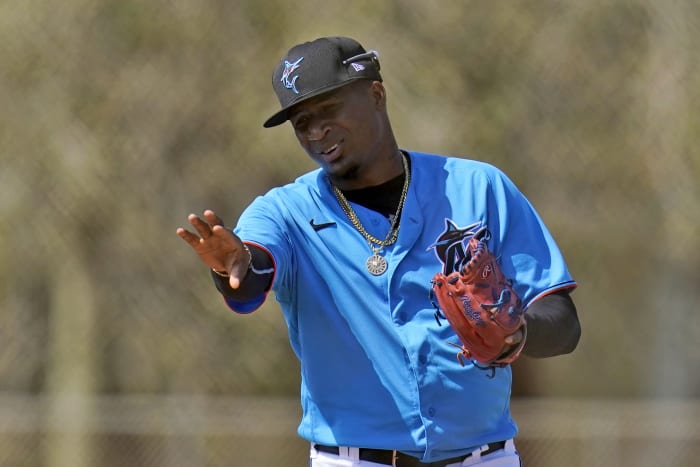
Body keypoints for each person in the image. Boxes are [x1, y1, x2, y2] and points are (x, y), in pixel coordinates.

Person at [176, 36, 580, 467]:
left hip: (484, 458)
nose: (315, 131)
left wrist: (516, 333)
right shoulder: (285, 212)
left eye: (328, 110)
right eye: (301, 122)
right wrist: (233, 268)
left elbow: (562, 322)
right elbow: (252, 275)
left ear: (376, 94)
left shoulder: (478, 188)